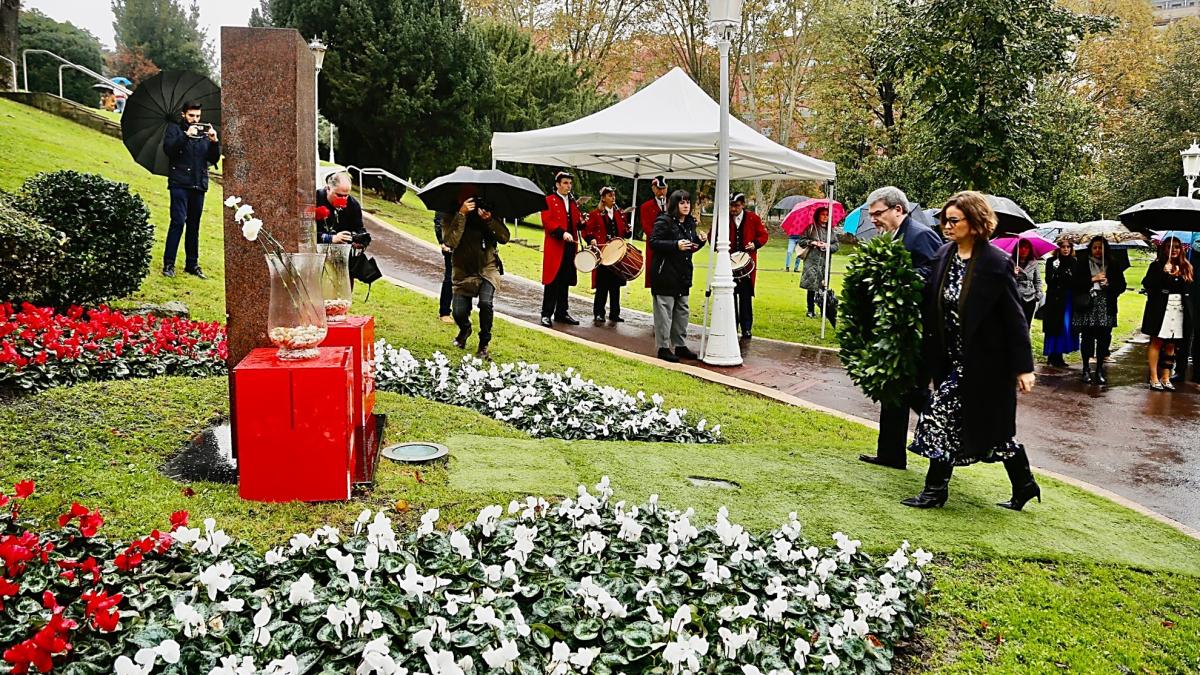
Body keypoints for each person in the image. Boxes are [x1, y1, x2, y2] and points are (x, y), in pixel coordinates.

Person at [903, 191, 1039, 510]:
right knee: (992, 433)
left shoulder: (996, 263)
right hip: (951, 359)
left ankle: (935, 491)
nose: (946, 227)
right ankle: (1025, 483)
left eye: (954, 221)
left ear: (975, 223)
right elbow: (929, 299)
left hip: (986, 362)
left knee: (940, 414)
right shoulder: (944, 255)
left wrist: (1024, 367)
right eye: (943, 221)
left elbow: (1014, 317)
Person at [857, 186, 943, 470]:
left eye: (878, 213)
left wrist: (896, 276)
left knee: (914, 392)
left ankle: (950, 430)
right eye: (871, 215)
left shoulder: (920, 234)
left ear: (898, 209)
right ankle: (891, 454)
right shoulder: (889, 238)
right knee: (893, 389)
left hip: (919, 331)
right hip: (897, 330)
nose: (874, 220)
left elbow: (934, 274)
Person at [442, 197, 510, 360]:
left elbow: (504, 237)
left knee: (486, 303)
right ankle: (465, 329)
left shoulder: (488, 210)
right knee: (458, 312)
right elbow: (451, 241)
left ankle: (483, 344)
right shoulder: (450, 214)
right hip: (463, 269)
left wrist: (490, 220)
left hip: (487, 267)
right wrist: (462, 214)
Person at [162, 100, 220, 279]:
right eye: (191, 116)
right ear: (183, 115)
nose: (195, 119)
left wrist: (214, 142)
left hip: (198, 184)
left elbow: (213, 159)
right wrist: (186, 135)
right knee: (178, 222)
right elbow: (170, 150)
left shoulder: (203, 133)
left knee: (194, 225)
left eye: (198, 116)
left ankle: (192, 264)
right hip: (179, 182)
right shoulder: (175, 130)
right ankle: (169, 264)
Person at [649, 189, 707, 362]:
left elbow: (689, 247)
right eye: (682, 202)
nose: (686, 206)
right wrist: (675, 245)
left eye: (688, 202)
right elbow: (654, 242)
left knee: (682, 311)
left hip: (683, 274)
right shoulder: (664, 221)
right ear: (675, 204)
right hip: (665, 274)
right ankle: (663, 347)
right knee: (664, 312)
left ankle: (680, 345)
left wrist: (700, 242)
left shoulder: (690, 223)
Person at [1072, 236, 1126, 385]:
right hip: (1088, 304)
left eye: (1100, 247)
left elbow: (1122, 285)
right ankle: (1086, 368)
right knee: (1087, 337)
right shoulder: (1082, 263)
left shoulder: (1113, 264)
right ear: (1090, 248)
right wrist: (1092, 279)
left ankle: (1100, 369)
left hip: (1106, 304)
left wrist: (1109, 284)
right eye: (1095, 247)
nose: (1097, 250)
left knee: (1104, 338)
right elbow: (1074, 284)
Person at [1141, 236, 1194, 391]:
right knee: (1157, 341)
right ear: (1164, 249)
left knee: (1171, 344)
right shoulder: (1156, 266)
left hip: (1178, 309)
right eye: (1170, 247)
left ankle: (1166, 377)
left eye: (1177, 247)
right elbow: (1147, 285)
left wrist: (1179, 275)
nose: (1174, 250)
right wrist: (1164, 274)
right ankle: (1153, 377)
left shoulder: (1185, 266)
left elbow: (1188, 289)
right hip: (1160, 308)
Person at [539, 171, 583, 327]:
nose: (568, 186)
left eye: (570, 183)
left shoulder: (572, 203)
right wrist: (562, 233)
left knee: (565, 280)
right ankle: (546, 314)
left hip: (570, 246)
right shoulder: (549, 200)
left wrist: (583, 222)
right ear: (557, 184)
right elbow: (547, 221)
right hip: (556, 246)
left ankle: (561, 312)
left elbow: (576, 223)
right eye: (565, 183)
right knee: (553, 281)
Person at [584, 186, 630, 323]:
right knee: (602, 285)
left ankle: (615, 313)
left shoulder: (619, 214)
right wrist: (591, 239)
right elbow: (587, 231)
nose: (613, 198)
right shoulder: (595, 214)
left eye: (614, 195)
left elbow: (623, 232)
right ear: (603, 198)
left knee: (615, 286)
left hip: (616, 255)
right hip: (603, 254)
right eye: (610, 195)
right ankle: (599, 313)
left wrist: (628, 232)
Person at [729, 193, 769, 339]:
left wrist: (755, 244)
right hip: (729, 264)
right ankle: (732, 325)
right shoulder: (724, 218)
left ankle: (746, 328)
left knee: (745, 297)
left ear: (743, 205)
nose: (733, 209)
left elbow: (764, 235)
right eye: (731, 206)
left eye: (736, 206)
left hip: (747, 265)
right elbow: (713, 235)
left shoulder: (753, 218)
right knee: (730, 295)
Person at [1041, 239, 1079, 368]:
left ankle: (1059, 355)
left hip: (1068, 299)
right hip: (1054, 300)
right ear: (1058, 248)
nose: (1066, 249)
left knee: (1065, 326)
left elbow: (1074, 281)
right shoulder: (1051, 261)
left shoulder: (1074, 262)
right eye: (1063, 246)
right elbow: (1049, 280)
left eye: (1068, 247)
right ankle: (1052, 355)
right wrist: (1057, 272)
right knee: (1054, 326)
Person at [797, 206, 838, 320]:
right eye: (823, 214)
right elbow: (802, 241)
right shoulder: (811, 228)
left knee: (822, 286)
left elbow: (836, 246)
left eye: (827, 214)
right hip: (812, 261)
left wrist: (827, 246)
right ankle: (810, 310)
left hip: (824, 262)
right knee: (811, 286)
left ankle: (822, 310)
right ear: (818, 215)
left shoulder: (831, 230)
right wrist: (813, 242)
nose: (825, 216)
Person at [315, 172, 367, 246]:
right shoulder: (314, 200)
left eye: (346, 196)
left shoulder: (353, 204)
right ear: (328, 188)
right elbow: (303, 232)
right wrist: (330, 238)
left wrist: (360, 241)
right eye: (339, 195)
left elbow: (358, 228)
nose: (343, 199)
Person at [639, 176, 669, 287]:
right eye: (659, 188)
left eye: (663, 188)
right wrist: (659, 239)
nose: (661, 191)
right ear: (653, 189)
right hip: (654, 246)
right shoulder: (645, 206)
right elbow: (646, 226)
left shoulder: (672, 204)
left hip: (671, 246)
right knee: (654, 276)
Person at [1013, 239, 1043, 327]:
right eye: (1021, 247)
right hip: (1015, 297)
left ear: (1030, 249)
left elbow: (1037, 280)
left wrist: (1038, 294)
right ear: (1017, 249)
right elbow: (1005, 281)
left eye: (1026, 247)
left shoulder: (1033, 263)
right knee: (1015, 324)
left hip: (1030, 298)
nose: (1023, 250)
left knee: (1026, 325)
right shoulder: (1011, 262)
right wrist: (1013, 274)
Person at [434, 213, 455, 324]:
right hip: (450, 244)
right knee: (450, 277)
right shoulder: (447, 199)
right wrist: (442, 241)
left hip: (466, 245)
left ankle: (462, 312)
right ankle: (445, 312)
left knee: (466, 279)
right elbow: (439, 220)